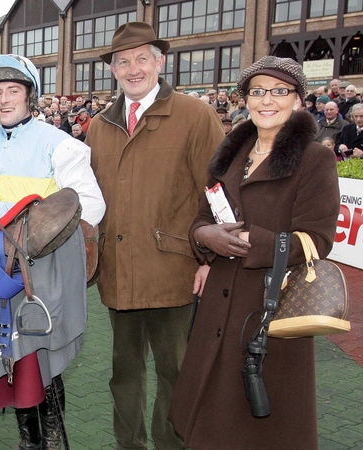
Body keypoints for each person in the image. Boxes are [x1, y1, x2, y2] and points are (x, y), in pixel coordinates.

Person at [169, 55, 340, 450]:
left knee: (262, 426)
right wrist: (205, 237)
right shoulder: (229, 154)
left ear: (298, 100)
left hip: (271, 309)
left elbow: (317, 240)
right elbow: (200, 218)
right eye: (258, 91)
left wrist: (252, 242)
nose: (268, 100)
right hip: (218, 307)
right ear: (245, 98)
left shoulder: (314, 159)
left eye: (280, 91)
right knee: (210, 418)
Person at [85, 22, 225, 450]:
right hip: (119, 273)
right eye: (123, 61)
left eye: (142, 58)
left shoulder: (194, 114)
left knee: (176, 374)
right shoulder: (98, 126)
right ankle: (129, 445)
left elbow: (218, 192)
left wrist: (211, 261)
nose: (133, 68)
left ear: (159, 62)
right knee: (124, 375)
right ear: (112, 69)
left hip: (174, 271)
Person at [0, 53, 106, 450]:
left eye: (13, 91)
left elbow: (90, 203)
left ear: (30, 97)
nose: (4, 100)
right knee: (10, 355)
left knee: (43, 358)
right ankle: (27, 438)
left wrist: (32, 229)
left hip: (41, 266)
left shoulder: (59, 143)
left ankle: (53, 439)